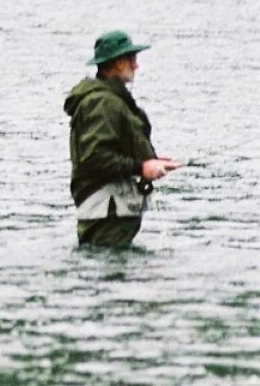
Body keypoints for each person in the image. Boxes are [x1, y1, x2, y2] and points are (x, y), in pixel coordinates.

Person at [64, 30, 182, 248]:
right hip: (108, 210)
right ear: (117, 63)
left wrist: (151, 162)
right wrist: (141, 167)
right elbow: (96, 158)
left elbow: (109, 151)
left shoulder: (108, 100)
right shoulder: (103, 102)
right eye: (132, 59)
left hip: (110, 209)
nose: (136, 66)